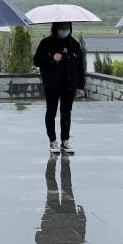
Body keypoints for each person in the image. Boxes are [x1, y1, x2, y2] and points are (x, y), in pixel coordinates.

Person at [33, 22, 85, 155]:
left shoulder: (74, 44)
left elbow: (80, 66)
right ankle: (52, 140)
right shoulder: (46, 43)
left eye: (67, 27)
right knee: (51, 111)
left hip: (69, 85)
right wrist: (51, 57)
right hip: (51, 84)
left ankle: (65, 140)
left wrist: (80, 86)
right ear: (55, 28)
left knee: (66, 113)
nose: (64, 30)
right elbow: (37, 60)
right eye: (62, 28)